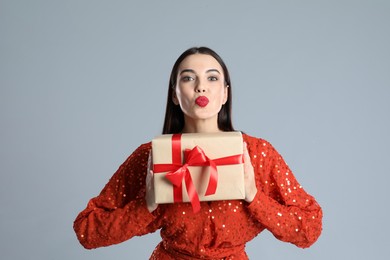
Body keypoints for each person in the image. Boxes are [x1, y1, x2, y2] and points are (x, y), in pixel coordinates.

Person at [73, 47, 323, 259]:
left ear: (225, 93)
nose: (201, 87)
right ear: (174, 94)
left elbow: (309, 229)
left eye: (212, 78)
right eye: (189, 78)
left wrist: (255, 197)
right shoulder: (153, 156)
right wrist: (144, 206)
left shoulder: (256, 154)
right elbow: (87, 231)